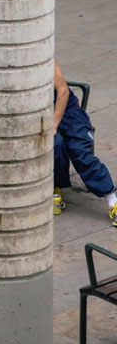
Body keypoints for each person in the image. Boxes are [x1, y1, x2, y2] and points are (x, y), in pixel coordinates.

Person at [54, 61, 117, 224]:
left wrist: (53, 125)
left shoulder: (44, 60)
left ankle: (112, 199)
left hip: (68, 112)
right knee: (55, 146)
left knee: (80, 152)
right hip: (42, 114)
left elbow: (63, 92)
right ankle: (56, 187)